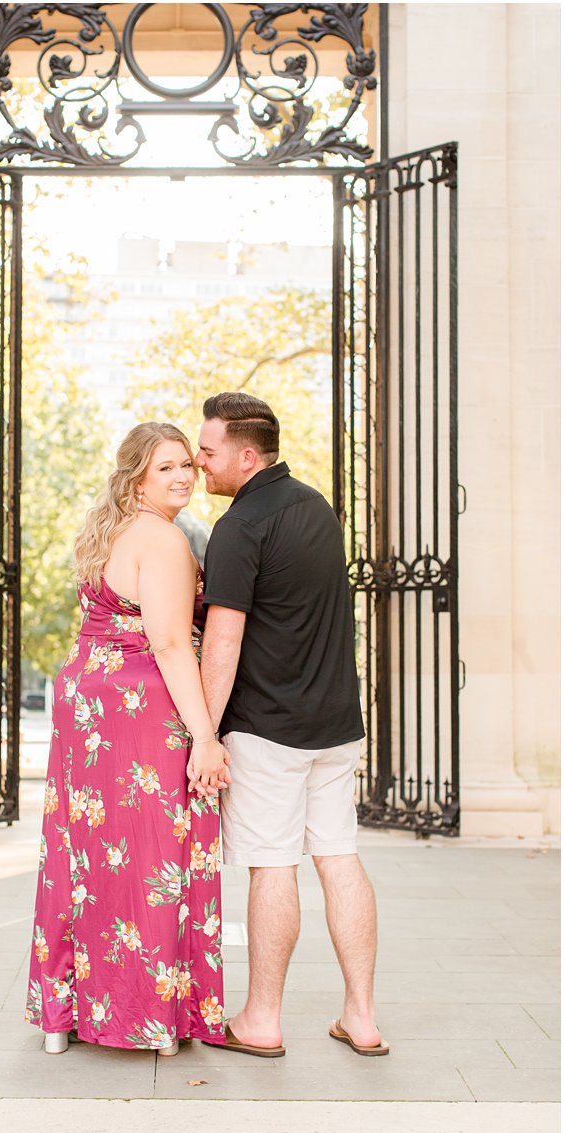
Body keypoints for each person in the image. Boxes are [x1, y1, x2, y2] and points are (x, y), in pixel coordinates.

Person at [26, 422, 229, 1057]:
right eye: (166, 467)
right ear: (137, 475)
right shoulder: (164, 542)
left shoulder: (109, 531)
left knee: (82, 855)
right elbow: (171, 643)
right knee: (151, 854)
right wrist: (205, 736)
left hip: (88, 701)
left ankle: (65, 1017)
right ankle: (151, 1018)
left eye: (187, 467)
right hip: (140, 708)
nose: (183, 477)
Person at [194, 391, 383, 1059]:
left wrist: (203, 734)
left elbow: (222, 641)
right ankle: (361, 1016)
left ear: (247, 455)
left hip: (269, 729)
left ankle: (262, 1019)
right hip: (336, 725)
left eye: (209, 449)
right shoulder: (316, 507)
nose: (199, 459)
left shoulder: (240, 526)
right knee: (338, 858)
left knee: (272, 865)